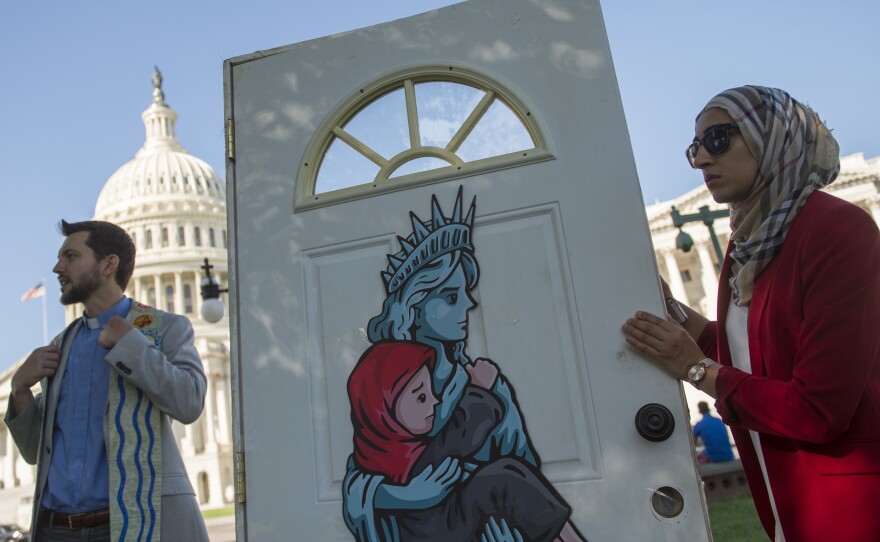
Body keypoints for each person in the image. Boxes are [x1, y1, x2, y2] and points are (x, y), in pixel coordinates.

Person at [622, 86, 880, 541]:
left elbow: (819, 409)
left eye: (718, 138)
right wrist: (673, 310)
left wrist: (695, 370)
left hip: (850, 513)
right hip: (785, 505)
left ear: (772, 136)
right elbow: (746, 354)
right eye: (695, 147)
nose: (702, 159)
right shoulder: (746, 245)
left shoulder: (838, 229)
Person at [5, 220, 209, 541]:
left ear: (108, 265)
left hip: (130, 521)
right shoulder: (59, 347)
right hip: (57, 528)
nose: (58, 268)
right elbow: (35, 453)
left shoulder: (165, 328)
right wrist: (19, 389)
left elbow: (189, 403)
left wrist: (130, 345)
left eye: (71, 256)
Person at [346, 340, 583, 542]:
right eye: (421, 397)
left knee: (507, 476)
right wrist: (480, 388)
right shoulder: (403, 459)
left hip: (446, 522)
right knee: (507, 480)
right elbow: (461, 434)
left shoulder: (392, 450)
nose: (434, 402)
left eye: (430, 392)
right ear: (383, 411)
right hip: (438, 532)